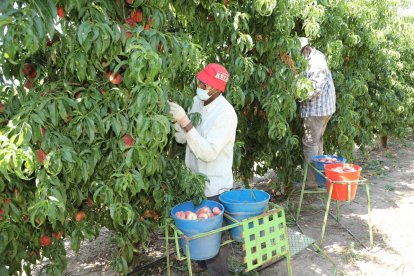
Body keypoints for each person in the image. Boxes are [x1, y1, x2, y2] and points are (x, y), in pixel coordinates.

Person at [168, 63, 237, 275]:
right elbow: (183, 138)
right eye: (199, 81)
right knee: (196, 236)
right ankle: (200, 266)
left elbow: (208, 153)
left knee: (214, 247)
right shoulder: (197, 101)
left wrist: (185, 122)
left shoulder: (226, 114)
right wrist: (175, 124)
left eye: (204, 84)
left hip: (214, 187)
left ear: (217, 88)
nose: (199, 86)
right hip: (194, 181)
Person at [298, 37, 336, 189]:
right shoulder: (312, 57)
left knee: (310, 144)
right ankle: (319, 179)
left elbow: (314, 90)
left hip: (317, 110)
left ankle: (311, 182)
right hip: (322, 109)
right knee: (317, 142)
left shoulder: (317, 63)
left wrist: (294, 89)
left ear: (305, 49)